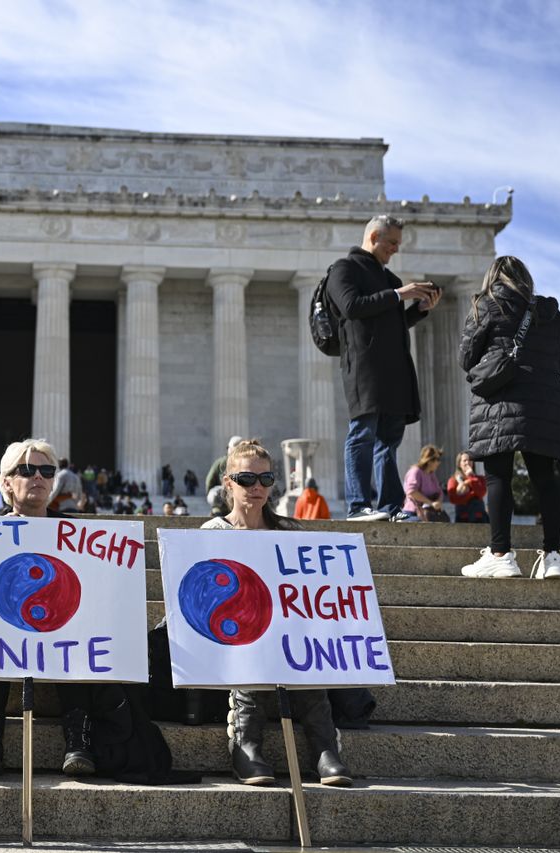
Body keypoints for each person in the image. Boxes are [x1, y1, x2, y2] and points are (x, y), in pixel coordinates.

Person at [201, 439, 352, 787]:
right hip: (235, 634)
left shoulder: (290, 532)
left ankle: (325, 747)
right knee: (251, 649)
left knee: (306, 654)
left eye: (266, 480)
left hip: (288, 631)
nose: (257, 488)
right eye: (247, 479)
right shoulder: (213, 533)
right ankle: (246, 740)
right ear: (228, 482)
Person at [0, 439, 98, 777]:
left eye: (46, 470)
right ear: (7, 482)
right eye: (26, 471)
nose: (38, 477)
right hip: (5, 627)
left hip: (59, 625)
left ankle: (78, 738)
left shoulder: (75, 534)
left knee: (78, 634)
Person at [459, 256, 560, 580]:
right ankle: (553, 557)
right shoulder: (550, 312)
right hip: (543, 406)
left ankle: (501, 555)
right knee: (546, 480)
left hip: (499, 402)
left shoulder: (486, 306)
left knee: (498, 479)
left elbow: (466, 357)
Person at [327, 215, 441, 522]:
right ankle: (357, 505)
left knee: (389, 441)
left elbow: (393, 323)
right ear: (374, 236)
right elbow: (351, 307)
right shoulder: (344, 269)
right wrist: (400, 295)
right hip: (364, 366)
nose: (395, 250)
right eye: (391, 242)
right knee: (362, 433)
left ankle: (391, 507)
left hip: (394, 369)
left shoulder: (389, 279)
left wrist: (418, 310)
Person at [400, 445, 447, 522]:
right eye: (437, 459)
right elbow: (411, 492)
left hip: (429, 513)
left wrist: (438, 502)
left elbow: (440, 492)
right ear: (429, 460)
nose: (439, 462)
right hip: (413, 513)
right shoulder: (415, 472)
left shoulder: (431, 475)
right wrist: (431, 503)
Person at [206, 435, 244, 517]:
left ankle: (217, 510)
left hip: (226, 503)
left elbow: (209, 482)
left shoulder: (221, 462)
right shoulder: (222, 463)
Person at [447, 451, 488, 523]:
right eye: (464, 460)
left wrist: (471, 477)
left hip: (480, 518)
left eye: (470, 460)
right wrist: (472, 495)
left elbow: (481, 493)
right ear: (459, 464)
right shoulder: (453, 480)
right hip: (463, 518)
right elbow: (453, 499)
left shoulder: (480, 478)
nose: (467, 462)